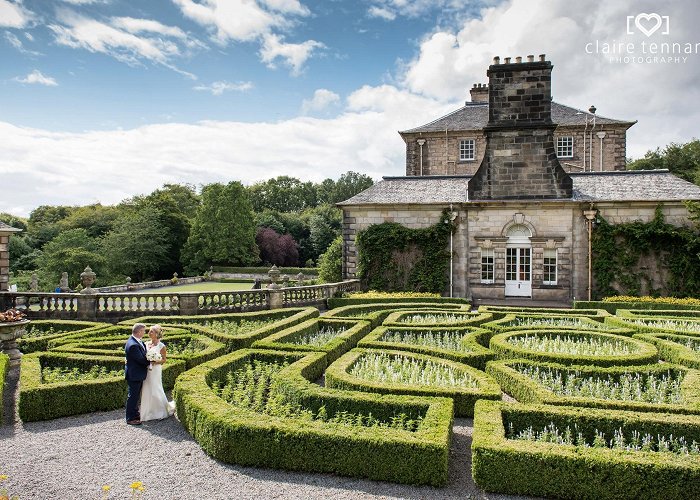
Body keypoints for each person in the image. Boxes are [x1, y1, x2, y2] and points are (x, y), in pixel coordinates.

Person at [140, 324, 176, 421]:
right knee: (146, 389)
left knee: (156, 388)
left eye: (151, 331)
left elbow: (164, 360)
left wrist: (154, 361)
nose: (149, 332)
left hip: (155, 370)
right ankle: (148, 412)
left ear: (156, 334)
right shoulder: (146, 344)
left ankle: (160, 411)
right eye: (149, 331)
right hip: (146, 369)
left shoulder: (161, 346)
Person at [124, 323, 149, 425]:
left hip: (136, 373)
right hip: (134, 374)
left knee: (135, 396)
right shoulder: (133, 345)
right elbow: (141, 360)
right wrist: (154, 361)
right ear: (139, 332)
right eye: (143, 331)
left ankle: (135, 413)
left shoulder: (136, 341)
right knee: (133, 396)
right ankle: (130, 418)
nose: (144, 332)